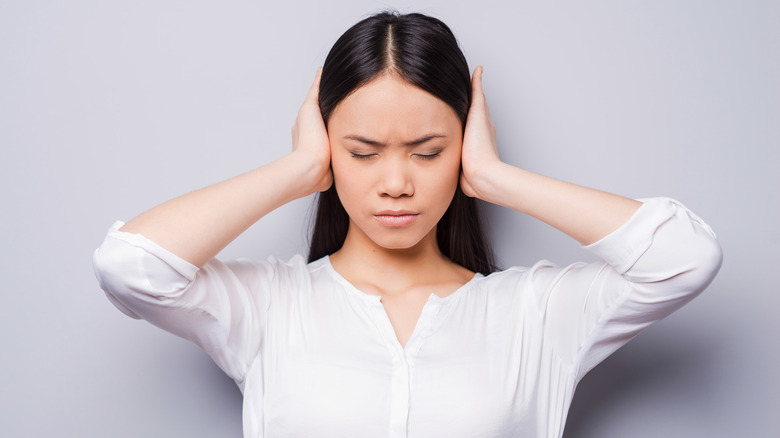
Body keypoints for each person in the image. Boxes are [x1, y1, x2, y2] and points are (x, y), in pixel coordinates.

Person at [92, 11, 722, 438]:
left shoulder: (536, 314)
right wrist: (299, 168)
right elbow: (130, 266)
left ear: (464, 145)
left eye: (427, 152)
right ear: (329, 147)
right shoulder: (268, 306)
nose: (396, 182)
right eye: (362, 152)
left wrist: (497, 177)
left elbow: (686, 258)